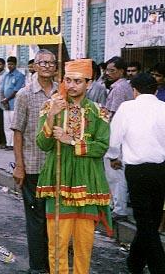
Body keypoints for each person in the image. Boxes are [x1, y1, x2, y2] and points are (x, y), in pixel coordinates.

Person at [36, 58, 112, 274]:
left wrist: (71, 141)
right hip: (58, 180)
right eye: (68, 80)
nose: (71, 85)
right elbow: (43, 144)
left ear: (89, 83)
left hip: (87, 182)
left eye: (78, 81)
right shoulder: (51, 107)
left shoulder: (100, 112)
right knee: (57, 244)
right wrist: (51, 116)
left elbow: (101, 147)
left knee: (84, 245)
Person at [106, 73, 165, 274]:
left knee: (144, 221)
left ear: (135, 90)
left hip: (136, 170)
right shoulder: (163, 108)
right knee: (152, 219)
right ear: (156, 90)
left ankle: (158, 267)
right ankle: (135, 263)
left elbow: (114, 137)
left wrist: (113, 156)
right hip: (160, 169)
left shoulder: (127, 108)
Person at [11, 50, 59, 274]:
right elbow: (18, 132)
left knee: (57, 219)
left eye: (51, 63)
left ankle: (54, 265)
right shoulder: (25, 94)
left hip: (59, 167)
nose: (48, 66)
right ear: (35, 66)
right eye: (43, 63)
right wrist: (19, 165)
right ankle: (38, 267)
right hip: (33, 165)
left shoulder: (64, 92)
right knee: (37, 219)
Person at [104, 56, 134, 220]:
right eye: (107, 70)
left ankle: (119, 209)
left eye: (112, 70)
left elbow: (112, 116)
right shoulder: (120, 87)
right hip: (120, 136)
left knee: (116, 174)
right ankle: (116, 206)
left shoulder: (120, 88)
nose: (108, 73)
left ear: (121, 71)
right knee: (115, 174)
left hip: (116, 136)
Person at [1, 56, 25, 151]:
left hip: (14, 103)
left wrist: (7, 99)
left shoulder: (19, 76)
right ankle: (8, 143)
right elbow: (2, 89)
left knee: (13, 125)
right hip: (6, 104)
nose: (9, 66)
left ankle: (13, 144)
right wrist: (4, 99)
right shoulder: (6, 76)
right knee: (6, 125)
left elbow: (16, 91)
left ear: (15, 64)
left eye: (11, 64)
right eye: (8, 64)